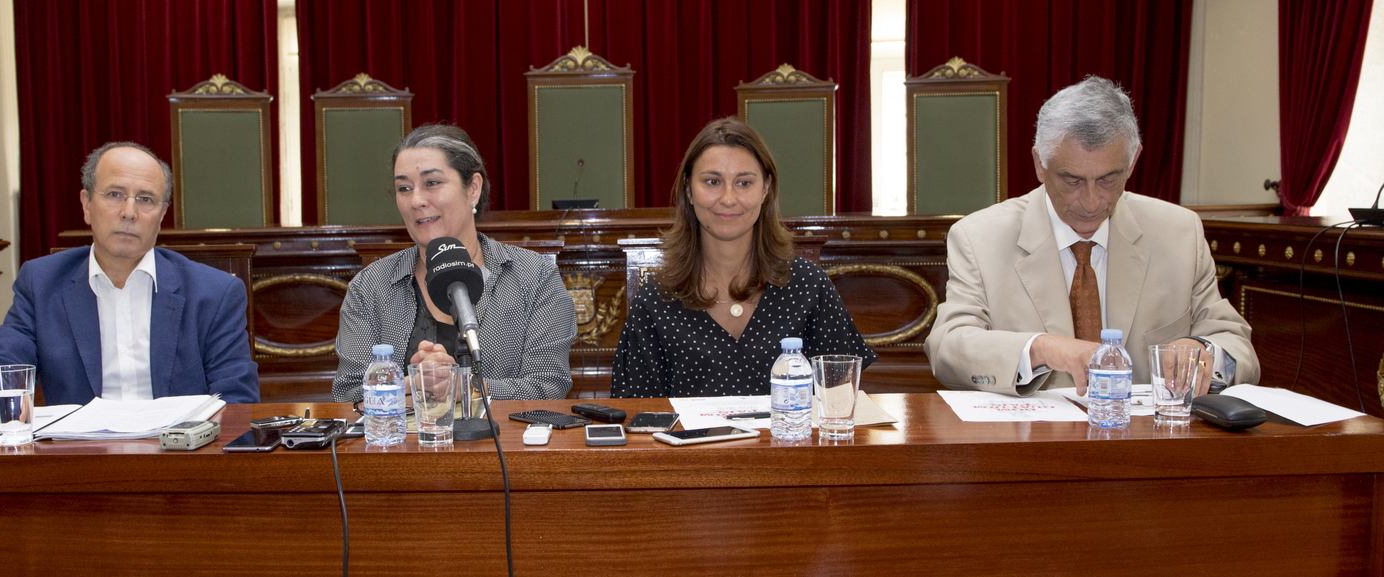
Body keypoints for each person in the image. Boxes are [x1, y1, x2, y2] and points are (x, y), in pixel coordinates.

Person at [924, 76, 1258, 397]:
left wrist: (1204, 351)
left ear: (1132, 162)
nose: (1091, 202)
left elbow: (1237, 346)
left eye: (1109, 180)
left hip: (1149, 445)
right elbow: (948, 348)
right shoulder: (980, 237)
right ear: (1040, 164)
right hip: (1032, 446)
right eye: (1072, 181)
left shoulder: (1179, 233)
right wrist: (1042, 348)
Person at [0, 142, 259, 426]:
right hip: (80, 467)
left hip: (179, 465)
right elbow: (4, 354)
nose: (129, 212)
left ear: (162, 213)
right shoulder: (42, 283)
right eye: (115, 194)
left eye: (145, 199)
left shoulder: (214, 293)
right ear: (86, 204)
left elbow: (238, 401)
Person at [610, 117, 876, 398]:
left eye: (744, 183)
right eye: (712, 181)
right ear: (688, 189)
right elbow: (637, 414)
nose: (728, 198)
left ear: (765, 189)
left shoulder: (809, 285)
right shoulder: (656, 297)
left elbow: (841, 404)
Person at [332, 124, 576, 402]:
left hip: (500, 445)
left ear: (472, 188)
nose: (416, 200)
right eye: (404, 188)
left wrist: (462, 387)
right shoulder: (370, 287)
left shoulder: (534, 277)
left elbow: (548, 387)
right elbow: (346, 395)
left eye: (432, 183)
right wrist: (414, 383)